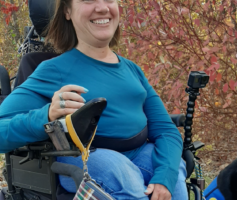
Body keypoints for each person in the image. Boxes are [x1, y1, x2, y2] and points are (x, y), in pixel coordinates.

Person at [0, 0, 188, 199]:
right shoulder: (53, 70)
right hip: (85, 159)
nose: (102, 7)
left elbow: (167, 131)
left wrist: (164, 178)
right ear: (67, 11)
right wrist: (46, 115)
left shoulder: (133, 70)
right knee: (117, 169)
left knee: (173, 174)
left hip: (139, 154)